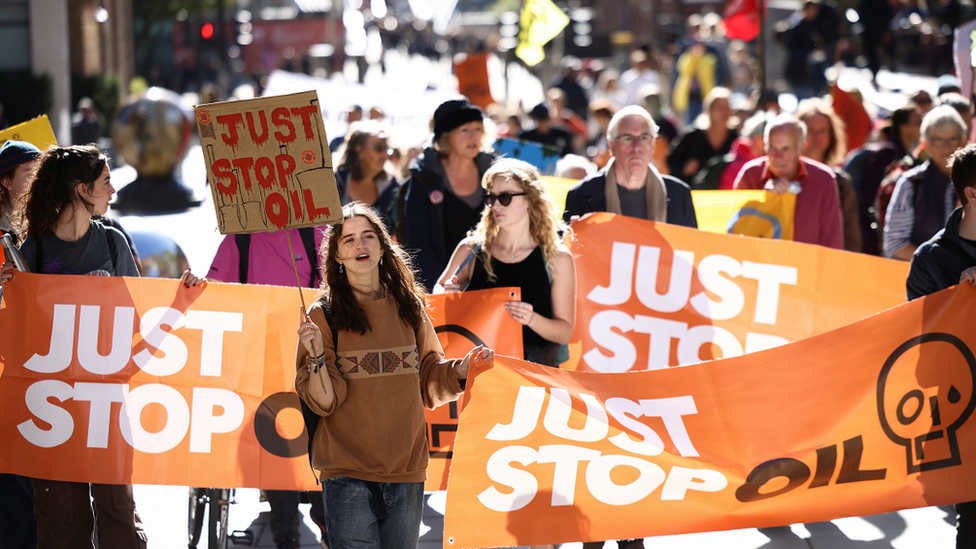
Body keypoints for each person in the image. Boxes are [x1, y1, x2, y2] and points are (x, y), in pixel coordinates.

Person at [0, 145, 202, 549]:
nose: (113, 191)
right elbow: (17, 339)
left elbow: (138, 323)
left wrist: (181, 303)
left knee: (117, 517)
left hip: (108, 404)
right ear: (81, 190)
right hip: (51, 407)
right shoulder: (32, 251)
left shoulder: (113, 244)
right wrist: (7, 293)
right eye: (106, 182)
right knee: (62, 523)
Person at [295, 202, 493, 549]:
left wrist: (460, 371)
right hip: (346, 473)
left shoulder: (409, 307)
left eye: (369, 237)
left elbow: (429, 380)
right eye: (350, 240)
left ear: (383, 247)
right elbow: (324, 401)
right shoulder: (322, 315)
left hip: (407, 470)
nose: (361, 246)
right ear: (336, 256)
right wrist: (314, 356)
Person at [207, 226, 325, 549]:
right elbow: (215, 291)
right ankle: (285, 528)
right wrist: (195, 288)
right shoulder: (239, 240)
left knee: (318, 436)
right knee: (279, 439)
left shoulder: (315, 235)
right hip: (264, 356)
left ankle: (324, 515)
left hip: (312, 353)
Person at [434, 159, 576, 367]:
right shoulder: (470, 249)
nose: (496, 205)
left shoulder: (557, 258)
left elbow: (564, 333)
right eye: (490, 198)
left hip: (531, 378)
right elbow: (437, 293)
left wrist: (531, 319)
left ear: (530, 198)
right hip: (477, 373)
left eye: (505, 197)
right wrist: (447, 294)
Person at [905, 144, 976, 549]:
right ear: (971, 193)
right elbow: (920, 347)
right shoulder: (930, 259)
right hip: (962, 414)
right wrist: (956, 298)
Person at [396, 98, 495, 290]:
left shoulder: (495, 172)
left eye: (477, 129)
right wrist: (441, 286)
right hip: (441, 286)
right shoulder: (424, 178)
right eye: (464, 130)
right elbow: (418, 245)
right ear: (446, 137)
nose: (473, 136)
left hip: (490, 285)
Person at [563, 105, 697, 229]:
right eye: (627, 138)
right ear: (611, 147)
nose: (636, 147)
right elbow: (561, 251)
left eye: (644, 138)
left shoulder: (680, 195)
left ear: (653, 146)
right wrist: (572, 239)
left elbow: (692, 250)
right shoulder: (581, 195)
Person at [0, 140, 40, 549]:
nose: (34, 183)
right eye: (28, 175)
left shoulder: (50, 228)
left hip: (44, 373)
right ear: (6, 182)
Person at [733, 114, 845, 249]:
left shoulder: (823, 179)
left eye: (786, 149)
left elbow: (832, 240)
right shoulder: (750, 174)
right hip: (760, 264)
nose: (778, 156)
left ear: (801, 148)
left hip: (805, 266)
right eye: (772, 148)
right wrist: (764, 200)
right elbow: (734, 230)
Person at [883, 105, 967, 260]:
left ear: (962, 142)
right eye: (938, 140)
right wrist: (940, 263)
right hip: (923, 281)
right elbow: (895, 245)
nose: (946, 147)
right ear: (925, 145)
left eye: (952, 139)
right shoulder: (911, 184)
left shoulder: (972, 183)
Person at [796, 98, 862, 252]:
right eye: (810, 130)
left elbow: (851, 239)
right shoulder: (785, 176)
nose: (817, 136)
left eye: (823, 130)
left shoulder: (841, 183)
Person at [335, 121, 400, 233]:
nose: (386, 154)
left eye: (387, 148)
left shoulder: (392, 187)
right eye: (379, 147)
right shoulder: (335, 181)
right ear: (359, 150)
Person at [667, 87, 737, 185]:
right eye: (720, 108)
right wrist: (684, 168)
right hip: (695, 194)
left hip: (726, 195)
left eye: (727, 108)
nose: (725, 113)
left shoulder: (736, 137)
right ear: (709, 111)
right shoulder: (692, 136)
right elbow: (671, 160)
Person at [0, 140, 41, 243]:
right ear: (7, 183)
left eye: (41, 172)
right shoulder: (2, 228)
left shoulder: (56, 216)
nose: (39, 179)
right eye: (30, 174)